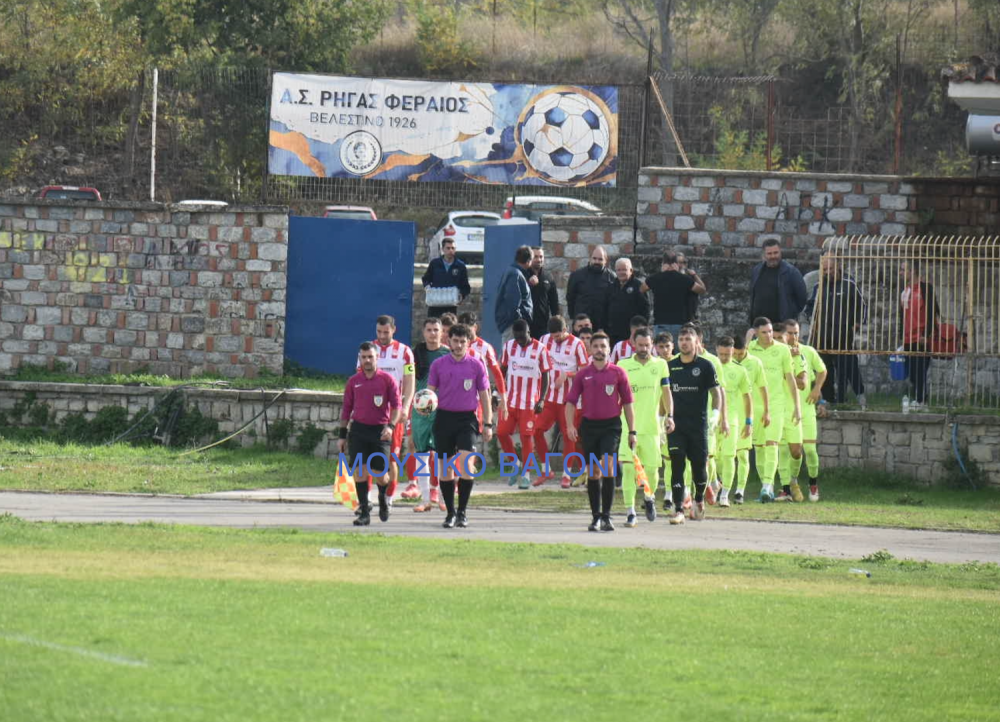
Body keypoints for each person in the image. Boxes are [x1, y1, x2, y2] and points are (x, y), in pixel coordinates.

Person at [565, 332, 636, 532]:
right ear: (590, 349)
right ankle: (596, 516)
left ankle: (607, 516)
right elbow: (570, 402)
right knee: (593, 472)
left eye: (603, 346)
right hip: (589, 426)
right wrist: (570, 425)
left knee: (608, 467)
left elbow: (629, 404)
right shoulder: (583, 374)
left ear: (609, 349)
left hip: (611, 426)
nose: (599, 350)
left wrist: (633, 431)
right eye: (595, 346)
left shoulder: (618, 373)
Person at [427, 323, 494, 529]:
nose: (458, 345)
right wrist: (424, 407)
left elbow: (485, 397)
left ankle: (463, 512)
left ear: (468, 342)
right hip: (444, 419)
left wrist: (489, 423)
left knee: (467, 465)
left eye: (462, 342)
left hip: (467, 420)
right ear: (449, 341)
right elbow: (430, 392)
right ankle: (450, 513)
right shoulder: (438, 364)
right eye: (455, 341)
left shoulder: (476, 365)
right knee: (445, 471)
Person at [665, 326, 725, 524]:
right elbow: (664, 395)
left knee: (700, 468)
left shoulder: (706, 366)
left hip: (698, 426)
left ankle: (699, 499)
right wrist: (661, 419)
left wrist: (715, 415)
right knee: (677, 465)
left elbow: (716, 394)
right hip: (676, 426)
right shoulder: (670, 366)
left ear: (696, 342)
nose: (684, 342)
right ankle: (678, 508)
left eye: (688, 339)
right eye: (681, 339)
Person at [339, 342, 402, 526]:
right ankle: (364, 511)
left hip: (380, 431)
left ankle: (383, 499)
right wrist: (342, 435)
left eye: (370, 357)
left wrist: (390, 426)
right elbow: (346, 410)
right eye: (364, 357)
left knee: (380, 474)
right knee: (359, 472)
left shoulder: (386, 380)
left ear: (377, 358)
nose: (367, 360)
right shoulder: (353, 381)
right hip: (358, 430)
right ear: (360, 359)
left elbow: (397, 406)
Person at [617, 328, 673, 527]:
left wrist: (670, 416)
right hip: (628, 427)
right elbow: (616, 396)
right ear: (633, 344)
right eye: (640, 345)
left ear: (652, 345)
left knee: (651, 470)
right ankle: (630, 512)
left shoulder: (660, 365)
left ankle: (648, 498)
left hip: (651, 428)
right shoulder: (622, 365)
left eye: (647, 345)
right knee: (629, 471)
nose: (644, 349)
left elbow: (667, 393)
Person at [747, 316, 801, 502]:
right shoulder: (750, 350)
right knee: (759, 447)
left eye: (770, 331)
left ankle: (767, 486)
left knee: (772, 445)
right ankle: (766, 488)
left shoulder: (783, 350)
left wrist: (797, 407)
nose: (769, 335)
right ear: (756, 333)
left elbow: (791, 379)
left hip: (776, 405)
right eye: (764, 332)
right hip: (755, 405)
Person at [362, 315, 415, 504]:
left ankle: (389, 497)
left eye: (386, 332)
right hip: (370, 413)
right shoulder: (368, 350)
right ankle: (366, 498)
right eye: (379, 332)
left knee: (392, 457)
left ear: (394, 330)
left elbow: (409, 382)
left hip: (393, 412)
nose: (382, 336)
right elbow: (359, 380)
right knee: (367, 457)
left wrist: (406, 406)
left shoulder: (405, 352)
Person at [534, 316, 589, 488]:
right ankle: (546, 470)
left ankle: (566, 475)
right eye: (553, 336)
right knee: (536, 430)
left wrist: (567, 375)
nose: (555, 339)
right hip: (549, 398)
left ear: (566, 330)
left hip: (569, 401)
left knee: (569, 436)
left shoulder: (577, 344)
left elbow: (585, 370)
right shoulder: (544, 340)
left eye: (558, 336)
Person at [805, 255, 867, 407]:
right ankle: (828, 400)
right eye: (824, 269)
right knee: (824, 369)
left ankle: (856, 396)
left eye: (830, 268)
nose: (827, 272)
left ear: (838, 267)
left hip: (843, 336)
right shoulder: (818, 286)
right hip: (823, 335)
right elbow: (809, 308)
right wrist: (812, 321)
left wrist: (857, 324)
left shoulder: (849, 284)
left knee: (848, 367)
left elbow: (862, 306)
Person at [498, 319, 551, 488]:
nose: (519, 340)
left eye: (522, 337)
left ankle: (526, 474)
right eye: (516, 337)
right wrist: (497, 392)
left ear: (529, 332)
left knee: (526, 437)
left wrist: (542, 399)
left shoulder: (540, 349)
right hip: (511, 401)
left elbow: (546, 376)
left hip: (530, 403)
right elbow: (503, 370)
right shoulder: (509, 347)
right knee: (501, 432)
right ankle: (515, 464)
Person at [405, 317, 449, 513]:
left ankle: (441, 496)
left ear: (442, 333)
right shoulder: (415, 354)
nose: (432, 333)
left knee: (442, 454)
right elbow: (407, 378)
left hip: (443, 411)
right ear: (423, 332)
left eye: (436, 330)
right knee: (421, 453)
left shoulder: (448, 354)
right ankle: (425, 499)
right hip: (420, 411)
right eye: (429, 330)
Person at [782, 319, 827, 502]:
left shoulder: (808, 351)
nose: (794, 337)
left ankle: (813, 484)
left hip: (807, 408)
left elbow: (822, 371)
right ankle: (792, 482)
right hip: (787, 408)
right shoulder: (780, 354)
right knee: (793, 451)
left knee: (810, 449)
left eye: (796, 333)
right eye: (790, 333)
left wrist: (817, 390)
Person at [714, 336, 753, 508]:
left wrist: (749, 421)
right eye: (721, 354)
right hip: (712, 419)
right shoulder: (710, 366)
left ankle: (725, 494)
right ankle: (714, 485)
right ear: (716, 350)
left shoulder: (740, 370)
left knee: (729, 456)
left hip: (732, 420)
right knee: (711, 458)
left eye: (727, 355)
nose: (724, 358)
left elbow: (747, 397)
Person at [732, 334, 769, 504]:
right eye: (735, 354)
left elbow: (763, 388)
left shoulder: (755, 363)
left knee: (743, 456)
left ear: (746, 349)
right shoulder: (723, 363)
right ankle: (722, 486)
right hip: (729, 415)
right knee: (722, 458)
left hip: (746, 414)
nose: (738, 357)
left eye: (741, 354)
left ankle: (740, 491)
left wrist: (766, 411)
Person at [641, 251, 706, 340]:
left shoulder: (656, 278)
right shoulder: (684, 279)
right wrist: (694, 275)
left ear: (663, 263)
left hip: (661, 323)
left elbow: (642, 288)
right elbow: (702, 289)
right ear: (676, 264)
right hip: (679, 323)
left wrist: (661, 272)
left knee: (661, 352)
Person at [900, 260, 938, 409]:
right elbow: (902, 316)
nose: (901, 273)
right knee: (912, 373)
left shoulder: (925, 288)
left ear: (912, 272)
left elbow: (931, 313)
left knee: (920, 370)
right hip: (908, 338)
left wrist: (927, 334)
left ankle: (921, 400)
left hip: (922, 338)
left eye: (903, 270)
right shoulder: (905, 291)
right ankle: (921, 400)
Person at [748, 239, 807, 328]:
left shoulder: (791, 272)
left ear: (780, 253)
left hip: (780, 326)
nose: (773, 256)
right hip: (759, 325)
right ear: (764, 255)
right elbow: (753, 294)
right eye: (769, 253)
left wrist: (789, 314)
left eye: (776, 253)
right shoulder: (757, 270)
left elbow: (802, 298)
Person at [566, 246, 615, 333]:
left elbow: (614, 302)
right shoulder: (577, 275)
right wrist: (574, 318)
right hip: (581, 325)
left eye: (600, 259)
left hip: (602, 326)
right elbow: (570, 298)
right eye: (594, 258)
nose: (597, 261)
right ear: (590, 258)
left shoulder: (612, 277)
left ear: (605, 260)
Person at [422, 238, 471, 318]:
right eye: (448, 248)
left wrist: (462, 295)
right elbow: (426, 279)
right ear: (442, 249)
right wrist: (427, 288)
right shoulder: (435, 264)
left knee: (449, 328)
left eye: (453, 248)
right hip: (435, 304)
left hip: (450, 305)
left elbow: (466, 286)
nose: (451, 250)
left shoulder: (460, 266)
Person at [495, 245, 534, 344]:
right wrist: (519, 321)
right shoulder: (515, 274)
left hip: (511, 322)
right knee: (510, 353)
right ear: (528, 261)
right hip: (512, 324)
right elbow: (512, 301)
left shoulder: (512, 272)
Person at [606, 257, 649, 346]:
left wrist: (642, 329)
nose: (621, 272)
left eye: (624, 270)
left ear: (631, 270)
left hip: (632, 333)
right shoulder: (611, 287)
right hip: (614, 333)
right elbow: (605, 307)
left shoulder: (638, 286)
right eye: (618, 270)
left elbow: (645, 308)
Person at [527, 247, 560, 339]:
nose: (539, 259)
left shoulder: (548, 276)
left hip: (543, 325)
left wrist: (557, 322)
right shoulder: (522, 274)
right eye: (535, 257)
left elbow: (554, 302)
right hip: (526, 323)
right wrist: (529, 284)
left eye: (541, 257)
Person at [676, 253, 702, 323]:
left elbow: (702, 289)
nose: (683, 265)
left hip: (689, 316)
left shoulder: (690, 277)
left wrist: (694, 275)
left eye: (685, 262)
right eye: (680, 262)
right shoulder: (672, 277)